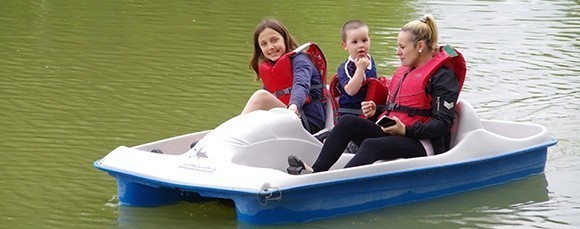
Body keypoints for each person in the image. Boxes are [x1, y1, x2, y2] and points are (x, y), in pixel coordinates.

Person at [287, 14, 466, 175]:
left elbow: (443, 123)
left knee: (371, 145)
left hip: (423, 143)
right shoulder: (407, 71)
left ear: (419, 46)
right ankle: (316, 171)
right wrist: (377, 109)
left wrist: (406, 130)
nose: (398, 52)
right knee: (347, 122)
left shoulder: (443, 77)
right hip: (397, 132)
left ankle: (334, 183)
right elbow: (403, 109)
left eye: (402, 47)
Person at [240, 18, 327, 134]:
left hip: (308, 119)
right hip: (284, 116)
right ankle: (235, 134)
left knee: (260, 97)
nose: (270, 47)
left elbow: (301, 84)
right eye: (264, 44)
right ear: (260, 49)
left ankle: (232, 132)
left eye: (274, 40)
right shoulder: (271, 67)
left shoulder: (301, 60)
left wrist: (293, 107)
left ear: (285, 39)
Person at [334, 20, 378, 117]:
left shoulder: (370, 60)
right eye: (354, 42)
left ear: (370, 40)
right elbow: (350, 90)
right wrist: (360, 70)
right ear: (345, 45)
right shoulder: (345, 67)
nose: (361, 45)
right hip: (351, 112)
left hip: (370, 110)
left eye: (364, 40)